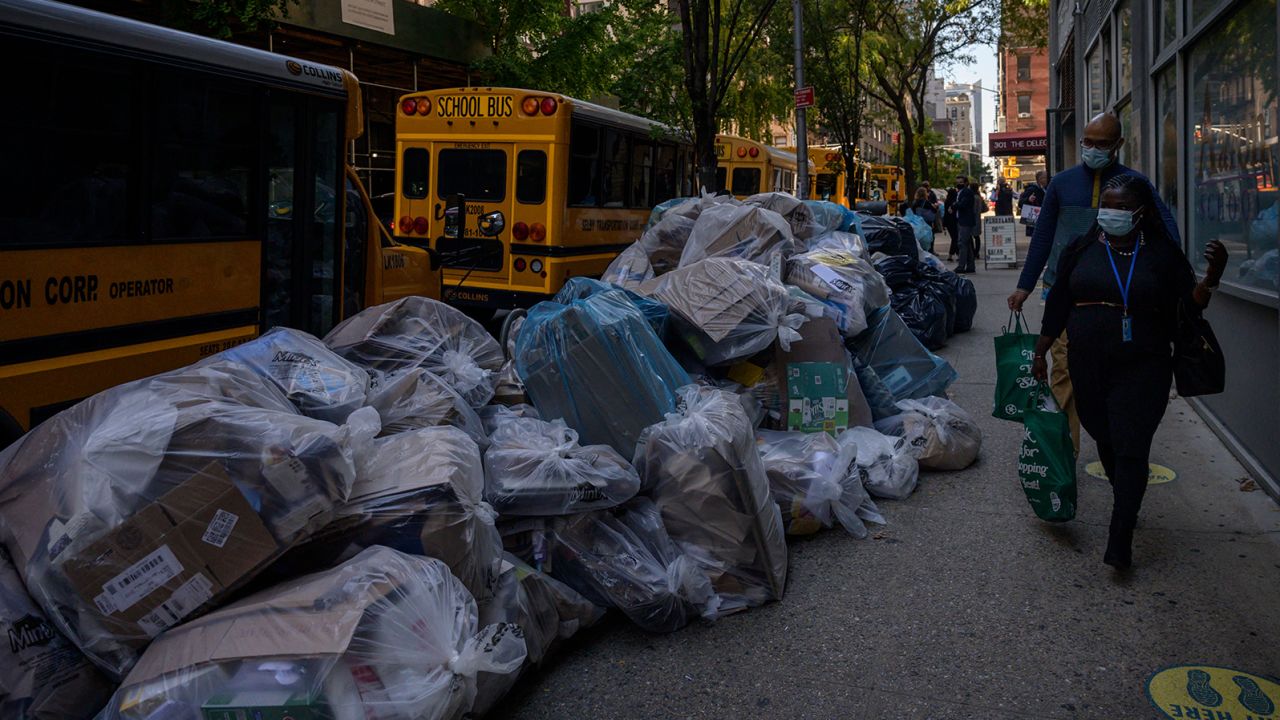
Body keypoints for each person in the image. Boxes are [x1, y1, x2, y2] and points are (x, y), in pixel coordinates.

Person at [1031, 174, 1227, 569]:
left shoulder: (1160, 253)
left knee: (1131, 444)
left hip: (1145, 364)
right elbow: (1058, 304)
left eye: (1121, 207)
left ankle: (1121, 533)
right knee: (1103, 434)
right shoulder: (1081, 247)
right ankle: (1126, 497)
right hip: (1088, 362)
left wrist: (1211, 278)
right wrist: (1041, 351)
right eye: (1107, 204)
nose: (1111, 212)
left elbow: (1188, 308)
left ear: (1140, 213)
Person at [1008, 113, 1180, 452]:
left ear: (1119, 145)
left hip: (1122, 301)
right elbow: (1043, 237)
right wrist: (1024, 286)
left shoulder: (1136, 185)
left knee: (1112, 378)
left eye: (1102, 144)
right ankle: (1063, 455)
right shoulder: (1061, 183)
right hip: (1069, 296)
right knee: (1063, 376)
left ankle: (1116, 447)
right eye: (1087, 142)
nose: (1092, 149)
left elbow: (1166, 234)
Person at [954, 176, 977, 273]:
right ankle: (970, 266)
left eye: (961, 182)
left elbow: (963, 204)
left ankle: (961, 266)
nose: (959, 184)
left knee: (962, 243)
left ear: (966, 183)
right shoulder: (961, 192)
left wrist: (954, 205)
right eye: (957, 182)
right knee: (967, 244)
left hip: (965, 221)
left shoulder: (967, 192)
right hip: (962, 220)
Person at [1018, 170, 1050, 237]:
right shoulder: (1032, 189)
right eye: (1045, 177)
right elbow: (1020, 203)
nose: (1048, 179)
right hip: (1036, 223)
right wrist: (1028, 200)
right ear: (1040, 179)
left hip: (1047, 220)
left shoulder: (1049, 188)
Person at [943, 179, 961, 260]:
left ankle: (955, 255)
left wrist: (944, 224)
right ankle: (952, 255)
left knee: (954, 238)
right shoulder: (955, 202)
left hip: (948, 222)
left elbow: (946, 213)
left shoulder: (946, 201)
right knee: (955, 238)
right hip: (954, 221)